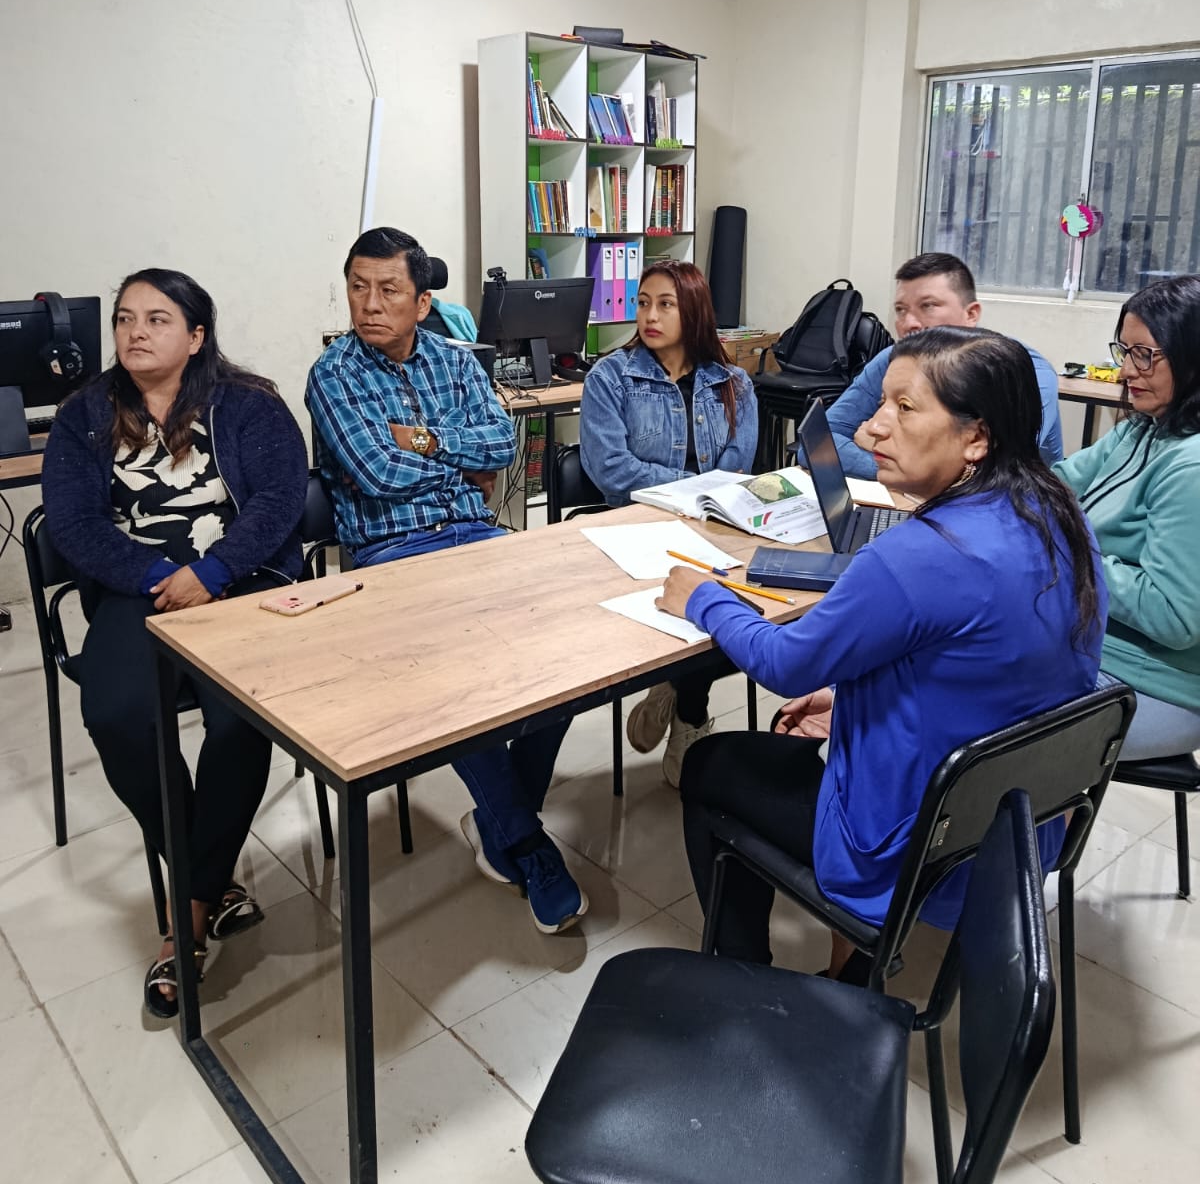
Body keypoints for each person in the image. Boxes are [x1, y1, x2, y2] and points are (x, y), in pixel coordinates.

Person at [656, 326, 1104, 980]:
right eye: (881, 404)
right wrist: (850, 698)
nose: (870, 430)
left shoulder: (916, 555)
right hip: (1016, 826)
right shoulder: (1058, 514)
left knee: (712, 765)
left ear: (977, 437)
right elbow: (985, 668)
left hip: (917, 844)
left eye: (905, 408)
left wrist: (704, 598)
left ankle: (747, 982)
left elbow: (784, 664)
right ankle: (844, 970)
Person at [41, 269, 308, 1017]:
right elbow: (75, 524)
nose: (134, 332)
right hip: (141, 590)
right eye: (125, 318)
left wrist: (215, 571)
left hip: (240, 583)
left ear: (195, 336)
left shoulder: (249, 403)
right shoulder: (84, 414)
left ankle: (186, 913)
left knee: (241, 720)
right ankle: (211, 879)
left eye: (157, 319)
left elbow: (281, 500)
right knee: (116, 714)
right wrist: (164, 575)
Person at [305, 227, 587, 933]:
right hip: (392, 552)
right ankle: (526, 843)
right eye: (358, 288)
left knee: (571, 656)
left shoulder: (455, 362)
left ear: (422, 302)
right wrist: (459, 468)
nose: (370, 304)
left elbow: (502, 444)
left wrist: (426, 441)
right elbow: (377, 472)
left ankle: (498, 821)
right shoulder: (333, 375)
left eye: (388, 290)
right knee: (463, 686)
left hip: (476, 537)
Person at [580, 260, 758, 786]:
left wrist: (700, 495)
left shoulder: (734, 384)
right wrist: (695, 489)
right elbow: (611, 470)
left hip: (713, 530)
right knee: (704, 604)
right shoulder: (611, 377)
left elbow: (736, 472)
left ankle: (677, 692)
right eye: (642, 303)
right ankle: (692, 714)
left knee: (754, 611)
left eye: (665, 304)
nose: (649, 316)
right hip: (636, 529)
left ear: (694, 311)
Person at [1054, 274, 1200, 761]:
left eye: (1144, 356)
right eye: (1124, 352)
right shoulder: (1145, 428)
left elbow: (1172, 616)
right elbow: (1058, 484)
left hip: (1154, 686)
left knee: (963, 701)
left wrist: (1072, 552)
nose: (1124, 372)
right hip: (1097, 644)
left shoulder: (1191, 467)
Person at [823, 252, 1063, 477]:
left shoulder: (1021, 370)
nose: (909, 323)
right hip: (906, 496)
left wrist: (881, 450)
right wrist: (887, 464)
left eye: (928, 306)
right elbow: (820, 441)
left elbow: (992, 471)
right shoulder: (895, 359)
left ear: (971, 314)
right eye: (901, 310)